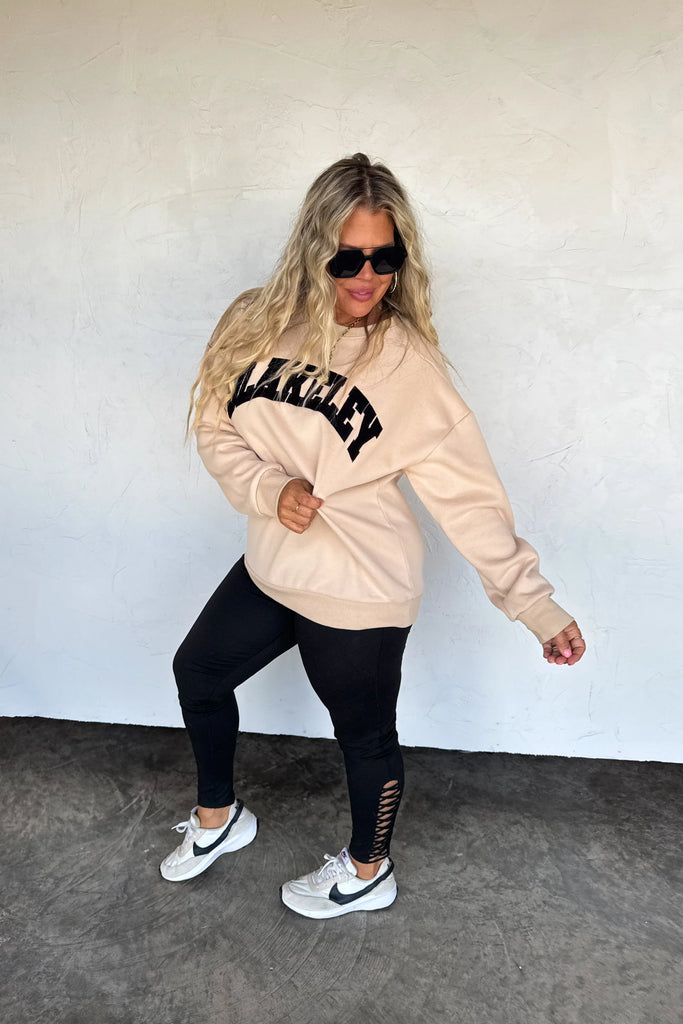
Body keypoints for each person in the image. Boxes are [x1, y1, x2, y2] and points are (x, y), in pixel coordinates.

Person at [160, 153, 586, 919]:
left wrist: (535, 605)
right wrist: (270, 490)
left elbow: (468, 498)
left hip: (361, 582)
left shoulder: (405, 364)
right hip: (273, 564)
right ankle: (220, 817)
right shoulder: (252, 322)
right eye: (347, 258)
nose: (366, 277)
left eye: (383, 259)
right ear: (311, 250)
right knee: (198, 672)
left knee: (362, 736)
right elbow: (216, 428)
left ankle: (366, 869)